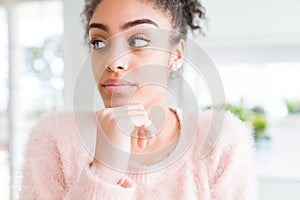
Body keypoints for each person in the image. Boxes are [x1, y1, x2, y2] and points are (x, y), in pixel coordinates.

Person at [20, 0, 256, 199]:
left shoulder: (218, 140)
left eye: (139, 41)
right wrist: (104, 170)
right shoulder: (55, 138)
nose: (113, 62)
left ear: (176, 54)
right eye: (98, 42)